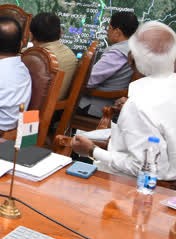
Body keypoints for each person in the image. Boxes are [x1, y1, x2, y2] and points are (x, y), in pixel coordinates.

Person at [71, 21, 176, 181]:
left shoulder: (138, 105)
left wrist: (92, 150)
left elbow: (149, 168)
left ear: (131, 59)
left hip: (131, 188)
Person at [78, 11, 139, 116]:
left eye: (109, 28)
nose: (107, 32)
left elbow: (88, 80)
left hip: (97, 107)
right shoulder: (134, 48)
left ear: (117, 32)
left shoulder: (117, 53)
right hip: (113, 104)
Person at [28, 12, 78, 100]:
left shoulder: (36, 57)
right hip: (58, 108)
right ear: (60, 33)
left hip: (35, 111)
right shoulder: (70, 53)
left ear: (31, 36)